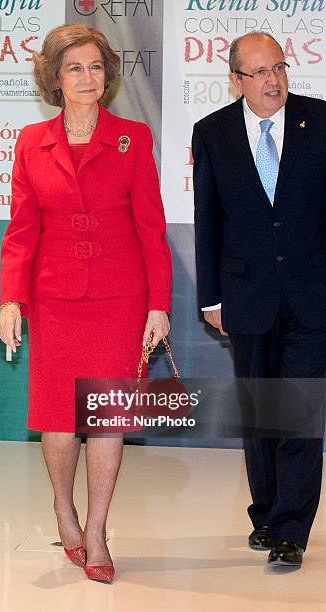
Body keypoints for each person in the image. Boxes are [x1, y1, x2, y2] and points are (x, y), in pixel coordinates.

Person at [0, 23, 172, 583]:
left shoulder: (132, 138)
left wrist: (158, 305)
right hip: (54, 298)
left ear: (109, 75)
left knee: (108, 417)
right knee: (56, 416)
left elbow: (152, 229)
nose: (87, 78)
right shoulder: (31, 141)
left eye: (96, 67)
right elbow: (21, 231)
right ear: (54, 78)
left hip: (120, 299)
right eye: (74, 68)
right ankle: (64, 511)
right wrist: (10, 300)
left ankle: (96, 530)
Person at [192, 31, 326, 568]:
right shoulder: (213, 133)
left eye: (279, 68)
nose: (274, 80)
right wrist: (210, 296)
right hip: (245, 293)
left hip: (312, 293)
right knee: (260, 412)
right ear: (236, 80)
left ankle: (292, 526)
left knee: (298, 409)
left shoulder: (319, 122)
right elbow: (209, 218)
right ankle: (268, 513)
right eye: (260, 72)